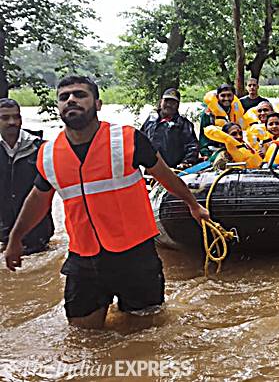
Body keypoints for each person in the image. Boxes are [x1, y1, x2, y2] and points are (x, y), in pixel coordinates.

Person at [3, 76, 210, 330]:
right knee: (83, 336)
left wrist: (192, 204)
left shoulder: (127, 138)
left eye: (80, 95)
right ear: (58, 106)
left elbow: (164, 174)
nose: (71, 100)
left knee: (146, 334)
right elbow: (38, 198)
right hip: (83, 257)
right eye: (64, 97)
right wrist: (16, 238)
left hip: (134, 255)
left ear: (98, 104)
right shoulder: (48, 152)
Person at [0, 99, 53, 255]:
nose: (12, 122)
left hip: (38, 233)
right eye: (5, 118)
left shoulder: (40, 148)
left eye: (16, 117)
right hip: (3, 232)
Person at [140, 88, 199, 169]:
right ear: (161, 102)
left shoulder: (183, 124)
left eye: (172, 102)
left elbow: (193, 147)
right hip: (151, 170)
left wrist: (186, 163)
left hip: (174, 171)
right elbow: (140, 141)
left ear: (178, 105)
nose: (168, 105)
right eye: (166, 101)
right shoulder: (150, 120)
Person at [199, 84, 236, 159]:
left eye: (229, 95)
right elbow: (203, 137)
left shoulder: (236, 111)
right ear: (217, 97)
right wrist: (205, 153)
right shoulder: (208, 114)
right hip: (215, 151)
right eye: (223, 95)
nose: (226, 98)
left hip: (233, 149)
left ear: (233, 96)